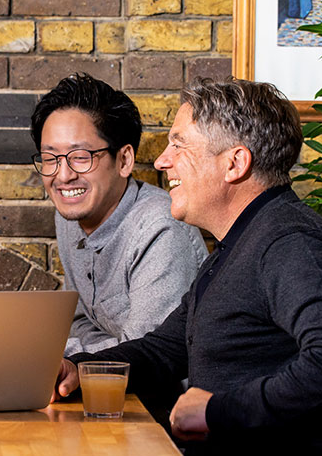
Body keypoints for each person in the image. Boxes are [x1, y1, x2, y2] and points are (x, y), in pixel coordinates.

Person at [54, 78, 322, 456]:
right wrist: (78, 371)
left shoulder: (290, 242)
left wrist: (217, 411)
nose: (161, 162)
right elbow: (165, 349)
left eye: (179, 145)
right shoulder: (239, 243)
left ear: (234, 164)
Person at [31, 73, 206, 356]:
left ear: (124, 160)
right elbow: (78, 321)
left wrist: (51, 354)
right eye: (50, 159)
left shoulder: (160, 230)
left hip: (162, 396)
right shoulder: (71, 216)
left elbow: (147, 355)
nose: (63, 176)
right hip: (102, 384)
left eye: (80, 157)